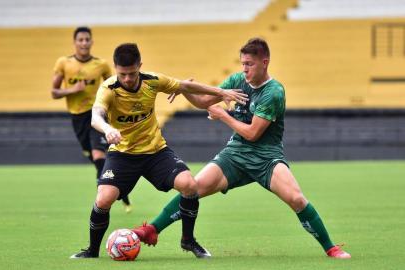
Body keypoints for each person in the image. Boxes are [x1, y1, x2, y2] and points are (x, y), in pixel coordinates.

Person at [133, 37, 351, 259]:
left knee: (296, 199)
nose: (245, 69)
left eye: (250, 64)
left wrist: (223, 116)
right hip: (236, 154)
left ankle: (331, 248)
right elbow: (203, 102)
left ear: (264, 62)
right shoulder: (238, 80)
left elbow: (253, 133)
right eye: (243, 63)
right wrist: (185, 90)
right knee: (194, 188)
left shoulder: (273, 92)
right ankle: (152, 230)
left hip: (266, 157)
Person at [69, 43, 248, 259]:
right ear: (116, 68)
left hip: (155, 152)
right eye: (122, 74)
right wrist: (107, 129)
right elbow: (95, 116)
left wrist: (221, 92)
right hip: (122, 154)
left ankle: (188, 241)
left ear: (140, 66)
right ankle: (92, 250)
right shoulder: (109, 89)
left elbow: (184, 86)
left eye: (132, 73)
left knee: (189, 185)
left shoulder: (152, 81)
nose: (127, 79)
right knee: (104, 199)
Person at [51, 26, 132, 212]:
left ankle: (105, 196)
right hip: (77, 117)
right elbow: (54, 92)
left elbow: (115, 86)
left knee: (98, 155)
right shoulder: (64, 63)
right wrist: (72, 90)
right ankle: (120, 190)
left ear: (91, 42)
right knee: (94, 158)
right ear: (75, 42)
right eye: (80, 40)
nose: (84, 43)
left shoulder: (101, 65)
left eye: (87, 39)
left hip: (97, 114)